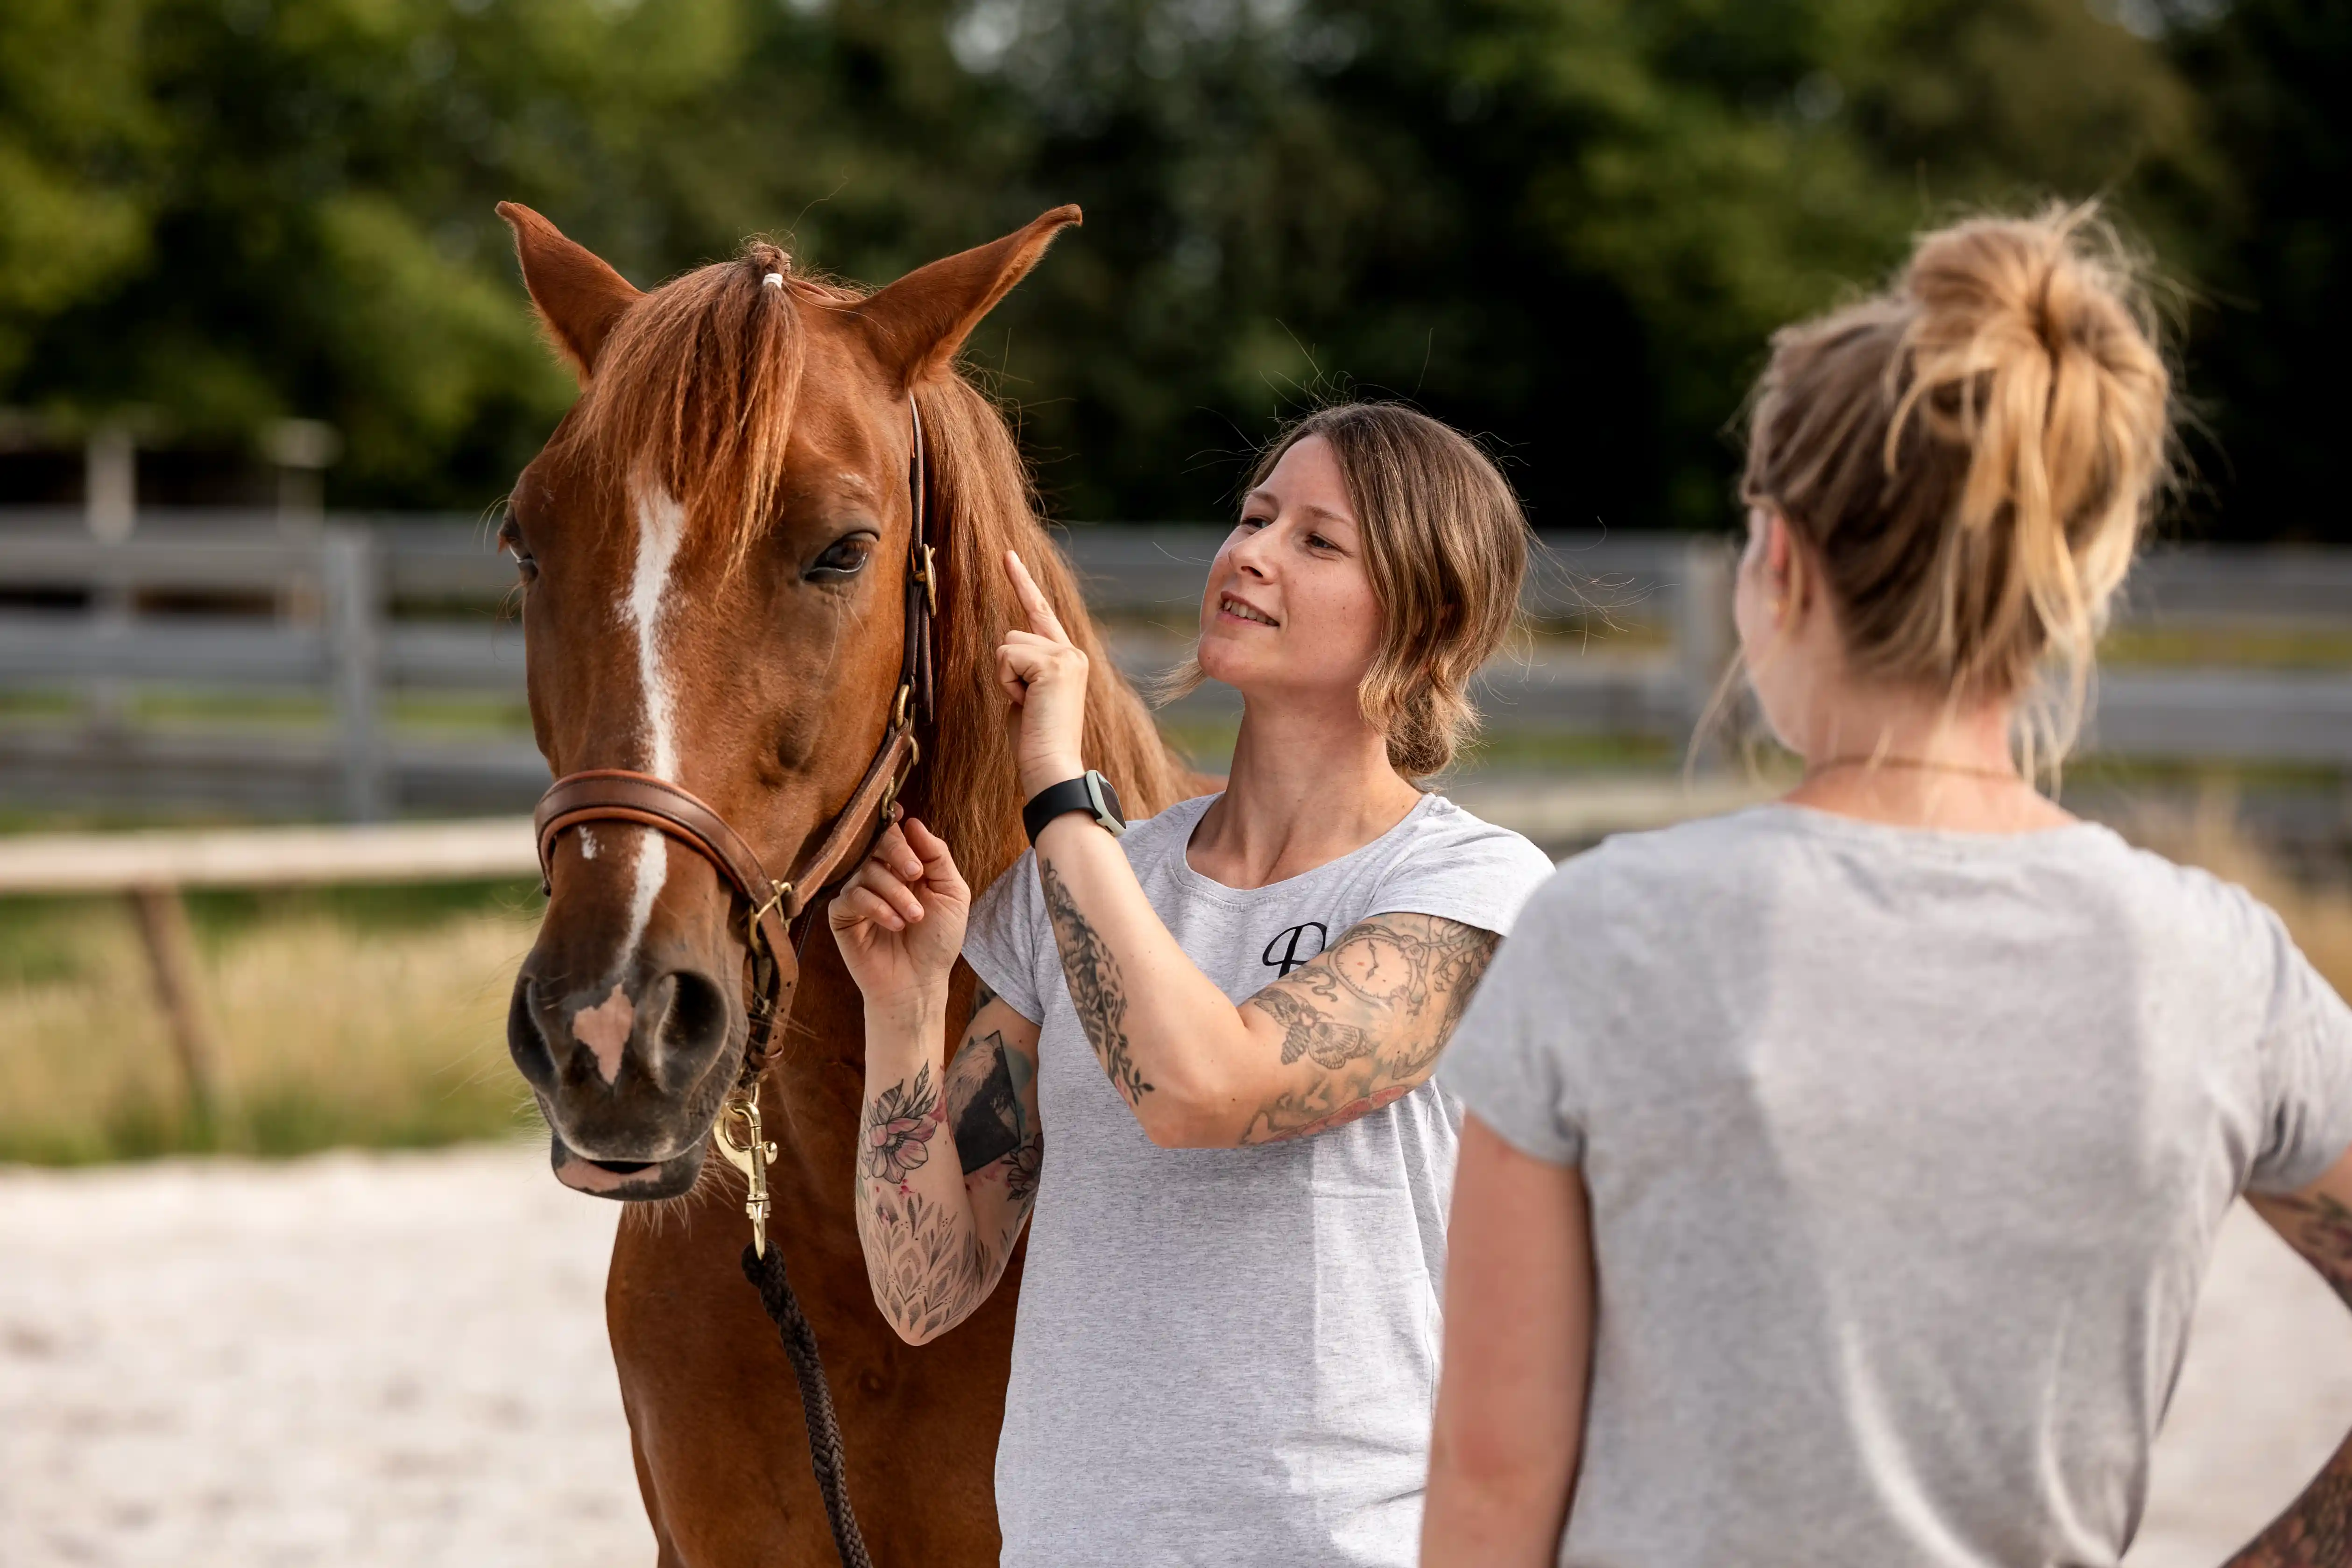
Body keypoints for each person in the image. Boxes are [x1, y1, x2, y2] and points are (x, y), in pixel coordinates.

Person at [1423, 206, 2352, 1567]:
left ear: (1780, 563)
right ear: (2057, 599)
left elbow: (1495, 1476)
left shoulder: (1607, 931)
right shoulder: (2215, 964)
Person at [827, 402, 1557, 1566]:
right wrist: (904, 1007)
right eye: (1255, 514)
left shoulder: (1471, 889)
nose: (1251, 552)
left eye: (1319, 541)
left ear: (1431, 615)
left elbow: (1200, 1090)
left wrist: (1058, 789)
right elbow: (927, 1285)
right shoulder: (1076, 892)